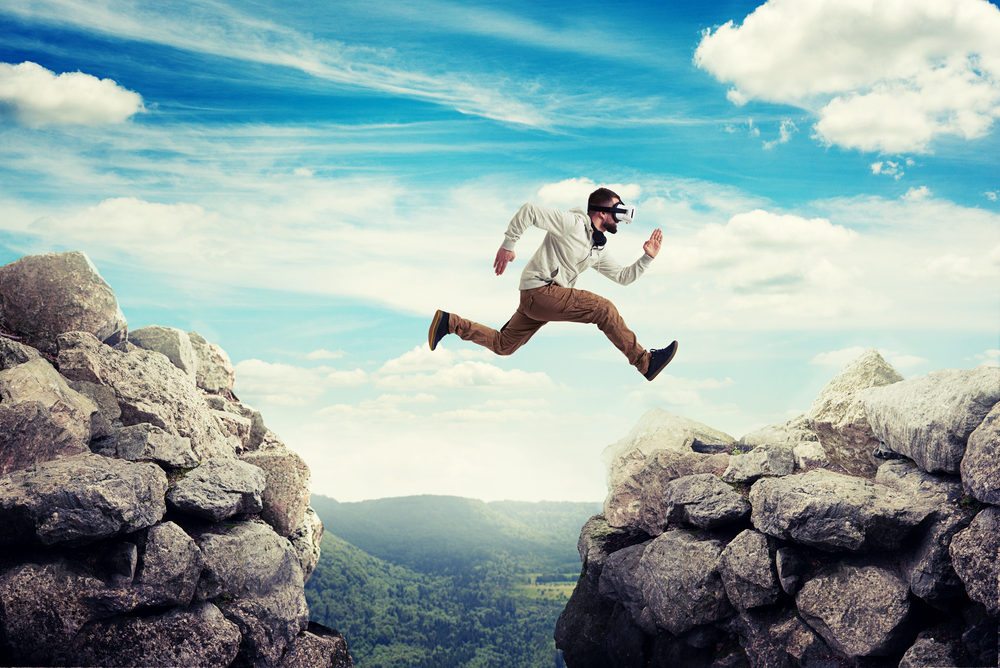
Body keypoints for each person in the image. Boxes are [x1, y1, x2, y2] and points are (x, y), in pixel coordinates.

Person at [428, 187, 677, 381]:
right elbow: (529, 211)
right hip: (540, 290)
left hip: (538, 298)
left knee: (504, 345)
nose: (621, 218)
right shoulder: (573, 223)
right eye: (617, 210)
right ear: (601, 211)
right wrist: (508, 245)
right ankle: (645, 363)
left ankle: (449, 323)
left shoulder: (597, 248)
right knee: (603, 309)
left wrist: (647, 257)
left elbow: (624, 277)